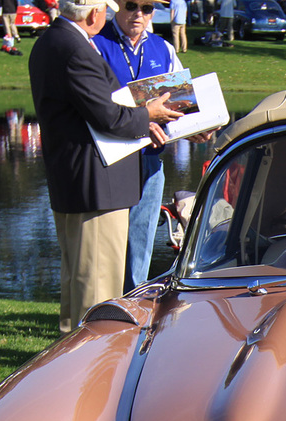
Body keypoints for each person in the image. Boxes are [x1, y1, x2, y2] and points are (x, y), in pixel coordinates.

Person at [29, 0, 180, 332]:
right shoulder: (75, 48)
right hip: (96, 183)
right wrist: (149, 114)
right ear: (95, 13)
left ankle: (70, 354)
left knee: (78, 277)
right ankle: (91, 362)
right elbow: (108, 116)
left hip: (77, 178)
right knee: (98, 284)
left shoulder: (50, 40)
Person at [96, 0, 183, 291]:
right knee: (107, 242)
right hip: (110, 160)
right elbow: (94, 107)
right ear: (116, 6)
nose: (139, 14)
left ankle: (133, 308)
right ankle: (103, 310)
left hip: (151, 159)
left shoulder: (164, 48)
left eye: (147, 8)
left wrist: (194, 129)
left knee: (141, 240)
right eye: (132, 5)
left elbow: (182, 103)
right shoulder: (96, 44)